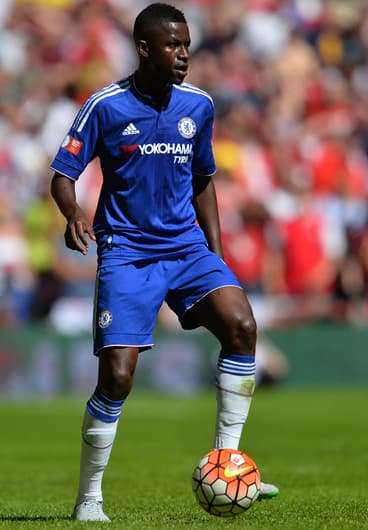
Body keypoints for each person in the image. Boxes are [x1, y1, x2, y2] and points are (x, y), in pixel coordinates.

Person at [50, 3, 279, 522]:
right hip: (127, 251)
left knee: (242, 325)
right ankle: (89, 499)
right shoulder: (106, 105)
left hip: (187, 249)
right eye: (174, 47)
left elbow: (203, 181)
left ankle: (228, 461)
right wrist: (73, 213)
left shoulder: (197, 105)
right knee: (117, 377)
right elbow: (63, 174)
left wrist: (216, 261)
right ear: (145, 48)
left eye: (188, 47)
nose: (184, 57)